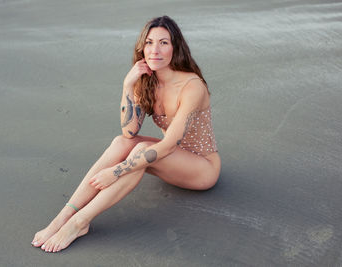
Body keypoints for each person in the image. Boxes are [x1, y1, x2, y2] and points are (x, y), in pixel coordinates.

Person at [31, 15, 221, 253]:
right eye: (150, 42)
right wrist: (127, 86)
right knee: (121, 143)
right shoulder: (149, 81)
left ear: (176, 47)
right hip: (173, 157)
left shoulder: (192, 86)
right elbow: (129, 130)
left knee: (139, 152)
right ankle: (63, 217)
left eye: (164, 43)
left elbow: (170, 144)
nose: (155, 50)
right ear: (142, 46)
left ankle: (79, 223)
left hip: (202, 168)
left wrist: (116, 171)